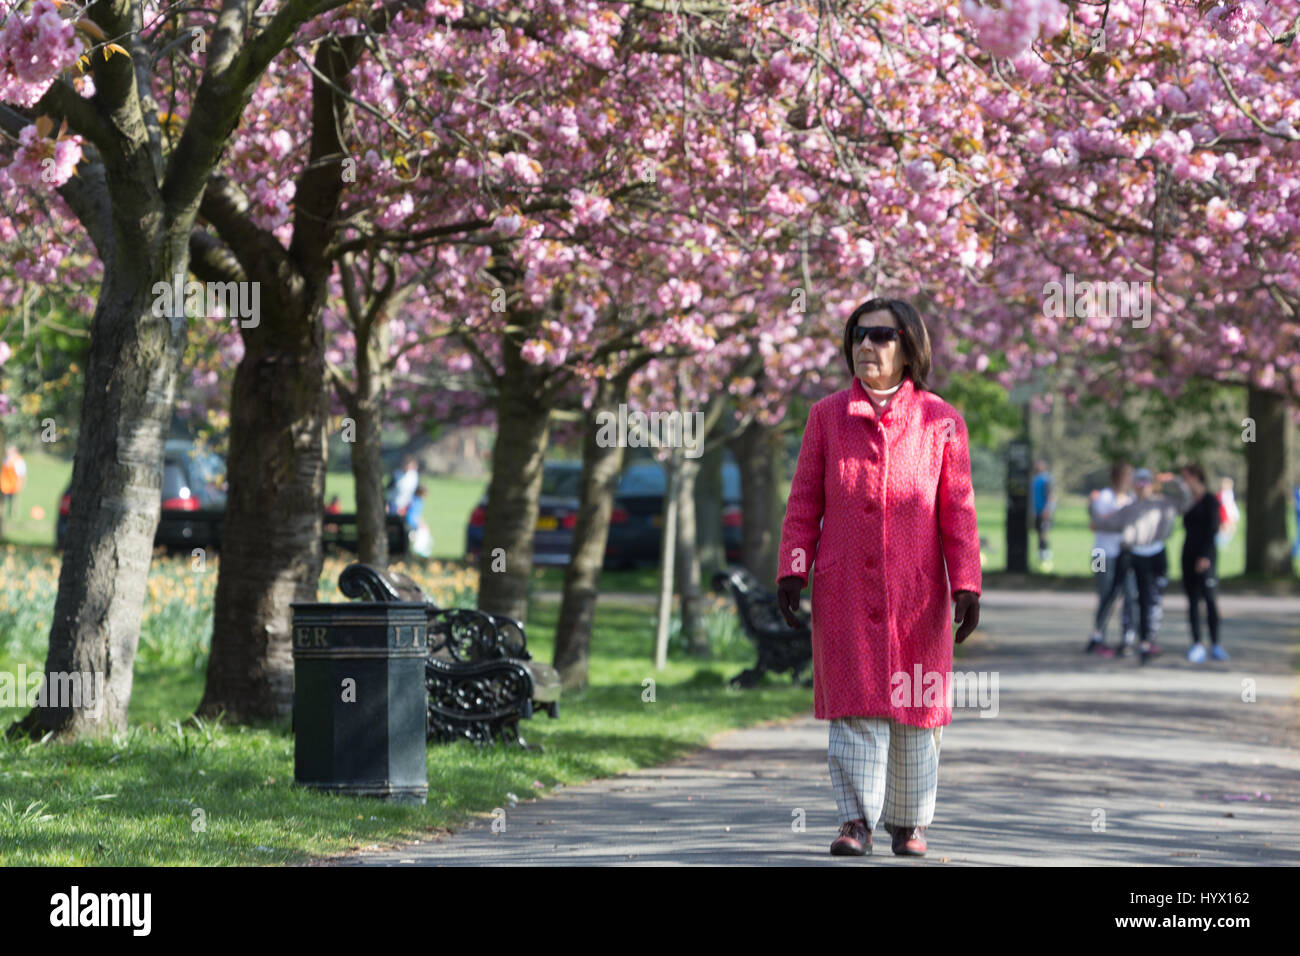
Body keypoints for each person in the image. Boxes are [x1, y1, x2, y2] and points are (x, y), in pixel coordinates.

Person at [775, 297, 982, 859]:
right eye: (859, 335)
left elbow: (958, 510)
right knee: (856, 705)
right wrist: (793, 567)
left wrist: (966, 582)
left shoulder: (942, 421)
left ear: (909, 348)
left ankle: (909, 823)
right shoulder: (827, 417)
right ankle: (856, 822)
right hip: (845, 588)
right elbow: (803, 502)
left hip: (918, 594)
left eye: (881, 337)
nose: (866, 346)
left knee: (915, 708)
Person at [1090, 468, 1192, 664]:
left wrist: (1174, 482)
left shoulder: (1156, 503)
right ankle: (1102, 637)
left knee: (1143, 598)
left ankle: (1141, 639)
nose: (1139, 485)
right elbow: (1102, 524)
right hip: (1103, 554)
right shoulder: (1111, 499)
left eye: (1143, 481)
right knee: (1109, 593)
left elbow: (1184, 501)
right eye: (1133, 480)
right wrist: (1092, 507)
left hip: (1126, 554)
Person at [1084, 461, 1139, 657]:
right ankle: (1098, 636)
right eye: (1127, 476)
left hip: (1124, 553)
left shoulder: (1132, 498)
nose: (1130, 480)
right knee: (1105, 594)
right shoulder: (1105, 497)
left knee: (1130, 594)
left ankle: (1129, 637)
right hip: (1101, 553)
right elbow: (1098, 523)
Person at [1179, 463, 1225, 662]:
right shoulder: (1187, 501)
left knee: (1210, 600)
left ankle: (1215, 643)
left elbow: (1214, 529)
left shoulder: (1210, 500)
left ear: (1196, 476)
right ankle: (1197, 643)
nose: (1183, 481)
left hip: (1206, 557)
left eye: (1186, 477)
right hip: (1188, 554)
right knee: (1192, 602)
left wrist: (1205, 556)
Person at [1031, 460, 1055, 567]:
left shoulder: (1046, 479)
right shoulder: (1035, 479)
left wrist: (1047, 510)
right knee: (1039, 533)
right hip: (1037, 512)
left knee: (1043, 533)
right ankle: (1041, 555)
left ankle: (1045, 555)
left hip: (1044, 512)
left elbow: (1051, 496)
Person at [0, 446, 26, 517]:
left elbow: (21, 474)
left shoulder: (19, 460)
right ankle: (2, 513)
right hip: (4, 483)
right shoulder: (5, 459)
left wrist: (20, 483)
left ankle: (13, 513)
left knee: (14, 500)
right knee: (3, 500)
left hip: (14, 484)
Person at [1215, 477, 1240, 550]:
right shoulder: (1222, 494)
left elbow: (1231, 505)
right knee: (1225, 529)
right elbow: (1223, 506)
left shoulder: (1229, 493)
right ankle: (1219, 544)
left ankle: (1221, 544)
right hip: (1224, 514)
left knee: (1230, 529)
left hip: (1229, 514)